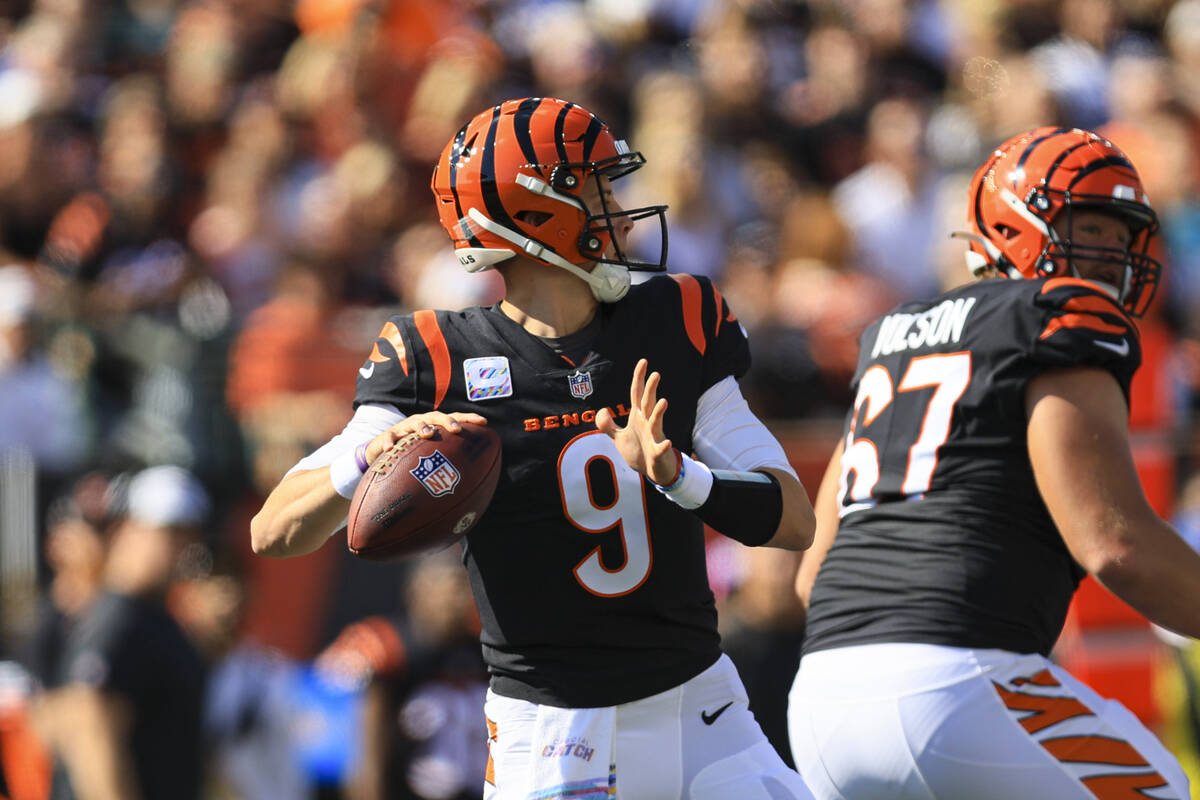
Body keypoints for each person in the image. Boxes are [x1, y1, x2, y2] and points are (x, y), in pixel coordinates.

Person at [251, 97, 817, 799]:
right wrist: (367, 457)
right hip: (550, 732)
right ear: (535, 212)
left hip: (699, 707)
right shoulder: (435, 357)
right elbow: (273, 531)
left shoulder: (676, 316)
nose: (619, 202)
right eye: (596, 185)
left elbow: (794, 518)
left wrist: (681, 476)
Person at [786, 126, 1200, 799]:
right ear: (1015, 226)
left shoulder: (892, 336)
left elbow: (813, 577)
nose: (1112, 255)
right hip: (959, 684)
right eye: (1090, 228)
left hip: (822, 707)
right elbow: (1116, 544)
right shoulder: (1057, 321)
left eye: (1120, 237)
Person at [34, 465, 210, 800]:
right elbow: (90, 728)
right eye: (167, 532)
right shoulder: (119, 616)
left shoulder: (149, 617)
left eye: (187, 534)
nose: (179, 547)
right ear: (126, 528)